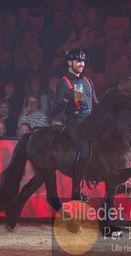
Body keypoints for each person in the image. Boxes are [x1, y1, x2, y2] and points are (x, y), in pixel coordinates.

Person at [52, 48, 98, 201]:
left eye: (83, 61)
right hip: (75, 123)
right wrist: (66, 98)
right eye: (78, 61)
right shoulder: (63, 83)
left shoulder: (87, 81)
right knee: (84, 153)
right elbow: (55, 109)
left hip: (91, 121)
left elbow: (95, 103)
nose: (81, 64)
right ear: (70, 62)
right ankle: (76, 190)